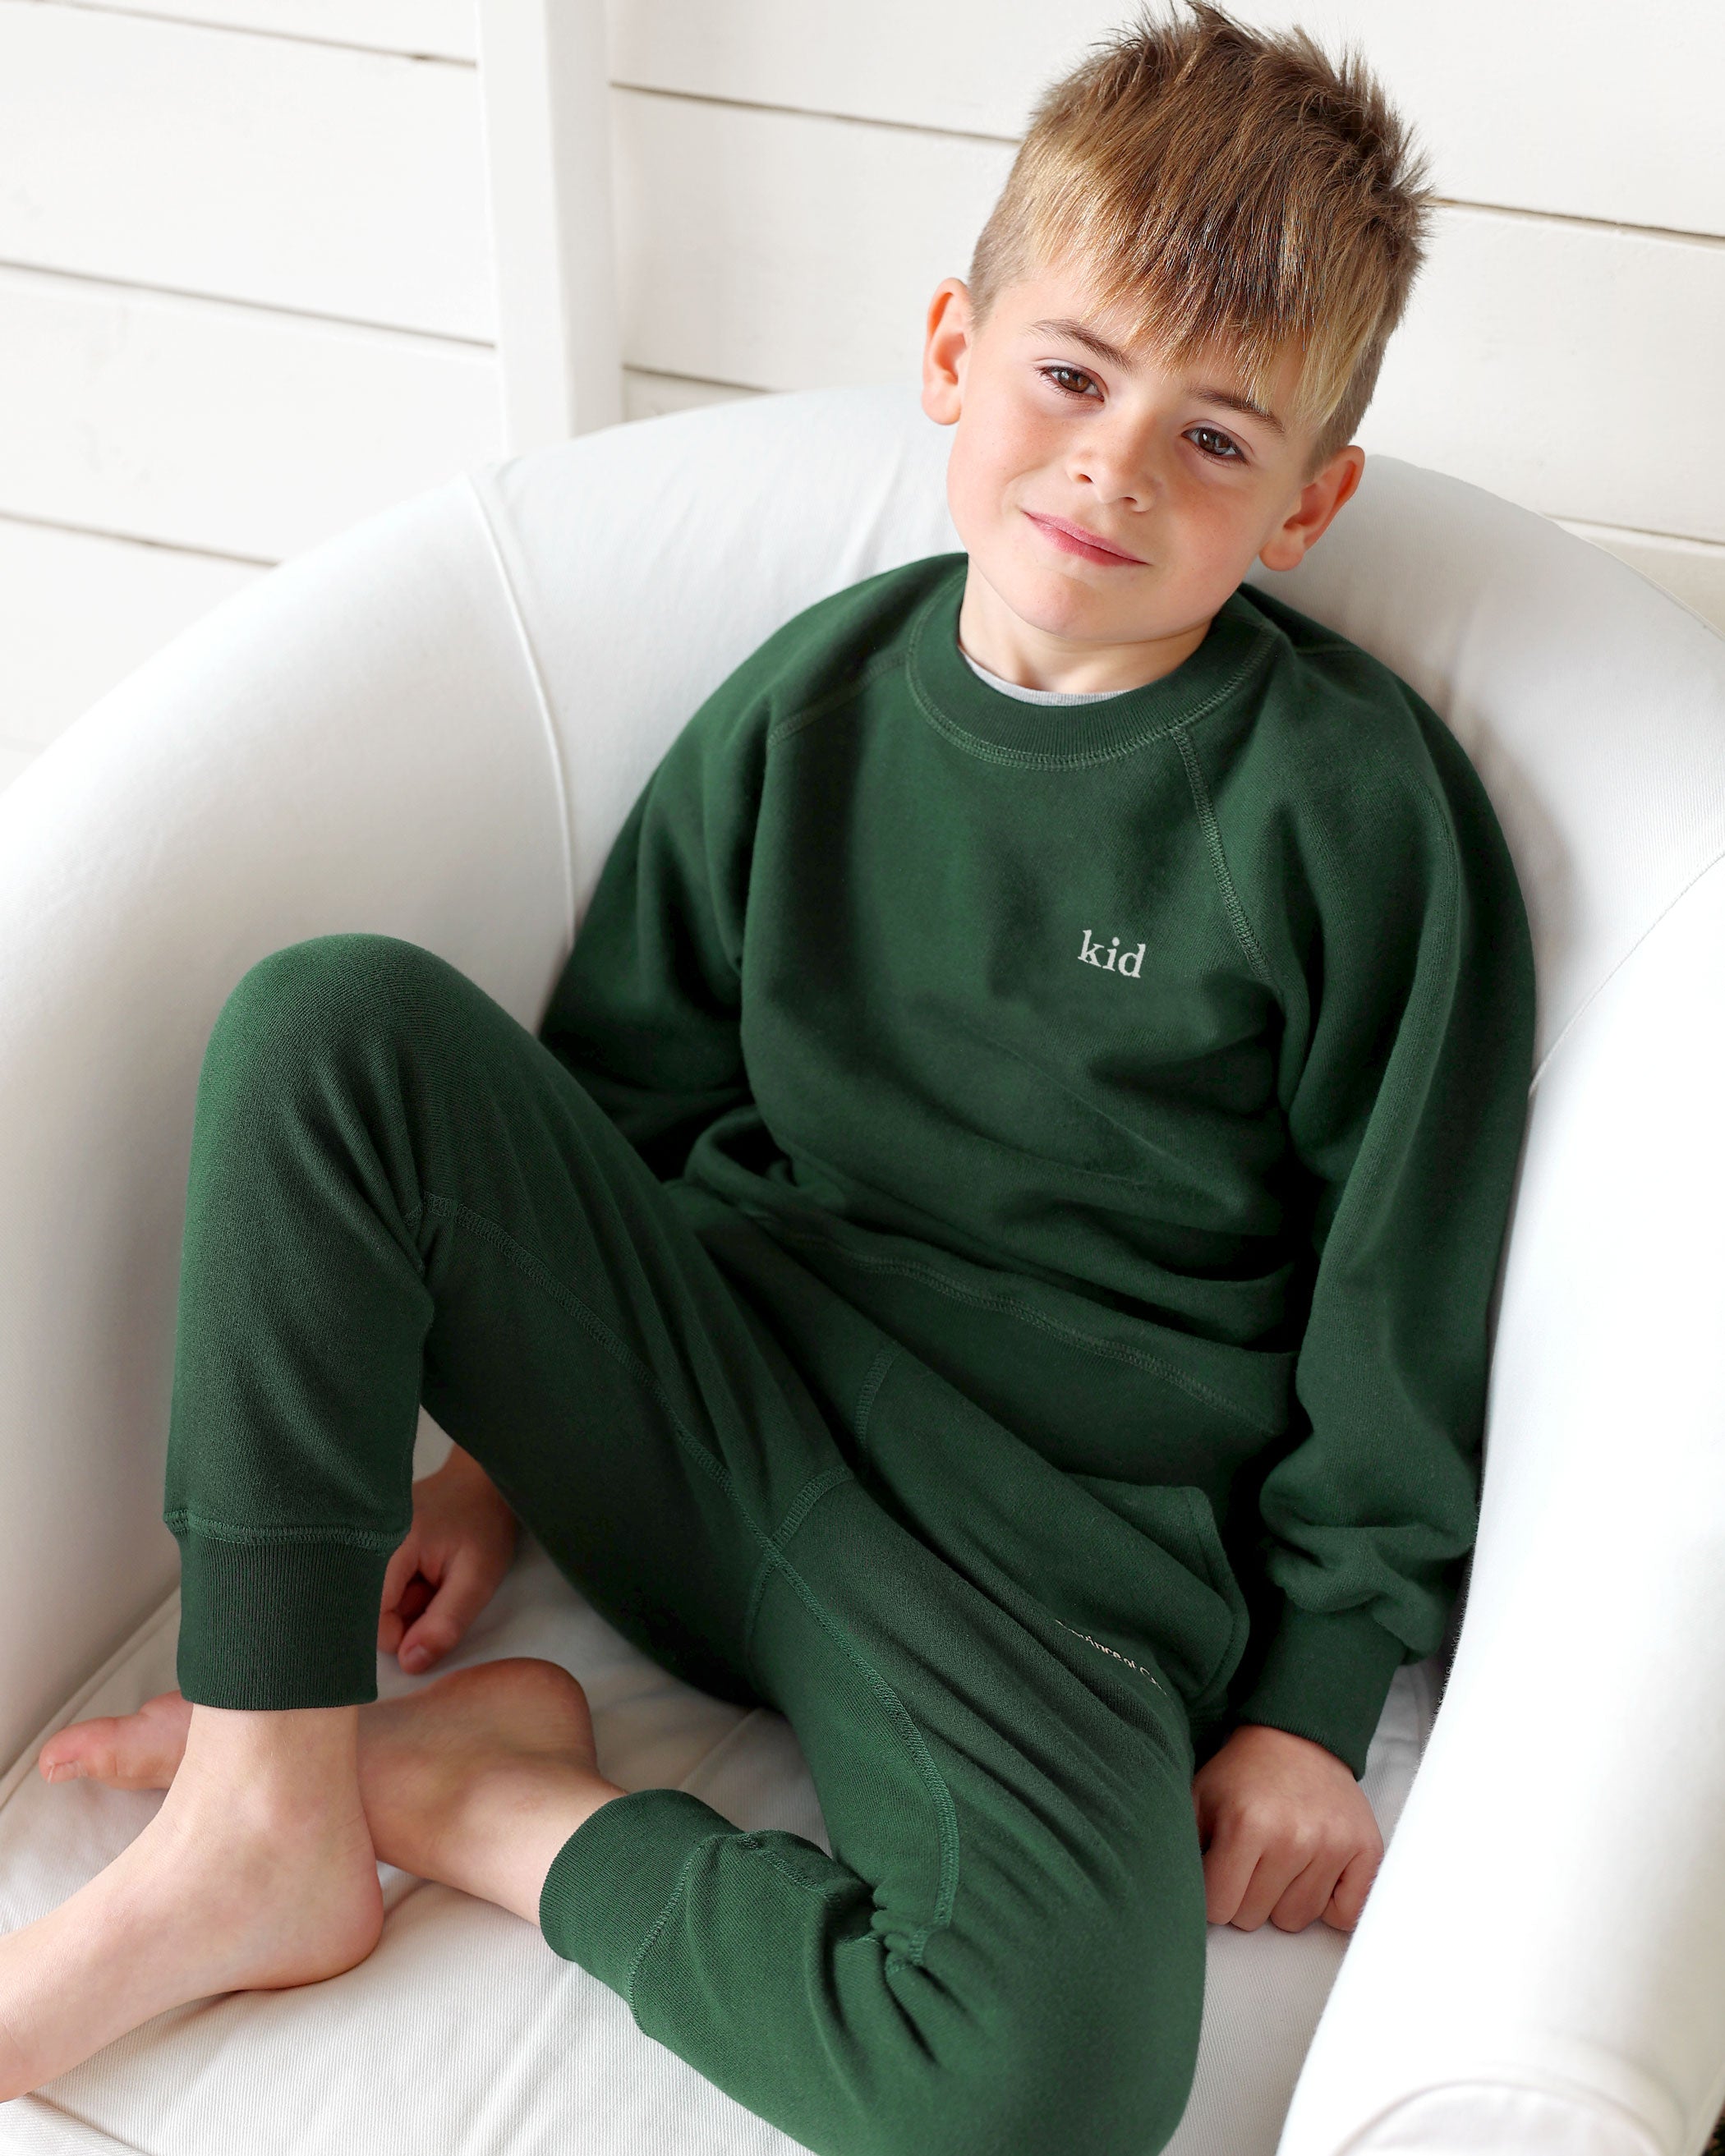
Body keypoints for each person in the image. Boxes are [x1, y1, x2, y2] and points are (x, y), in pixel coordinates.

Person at [0, 5, 1535, 2151]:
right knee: (331, 1020)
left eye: (1214, 436)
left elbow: (1402, 1298)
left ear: (1308, 502)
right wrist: (496, 1467)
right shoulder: (814, 701)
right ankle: (260, 1809)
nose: (1113, 466)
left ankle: (486, 1800)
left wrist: (1310, 1703)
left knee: (1049, 2076)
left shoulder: (1348, 811)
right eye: (1072, 377)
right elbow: (612, 1093)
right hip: (710, 1413)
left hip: (1036, 1566)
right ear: (953, 350)